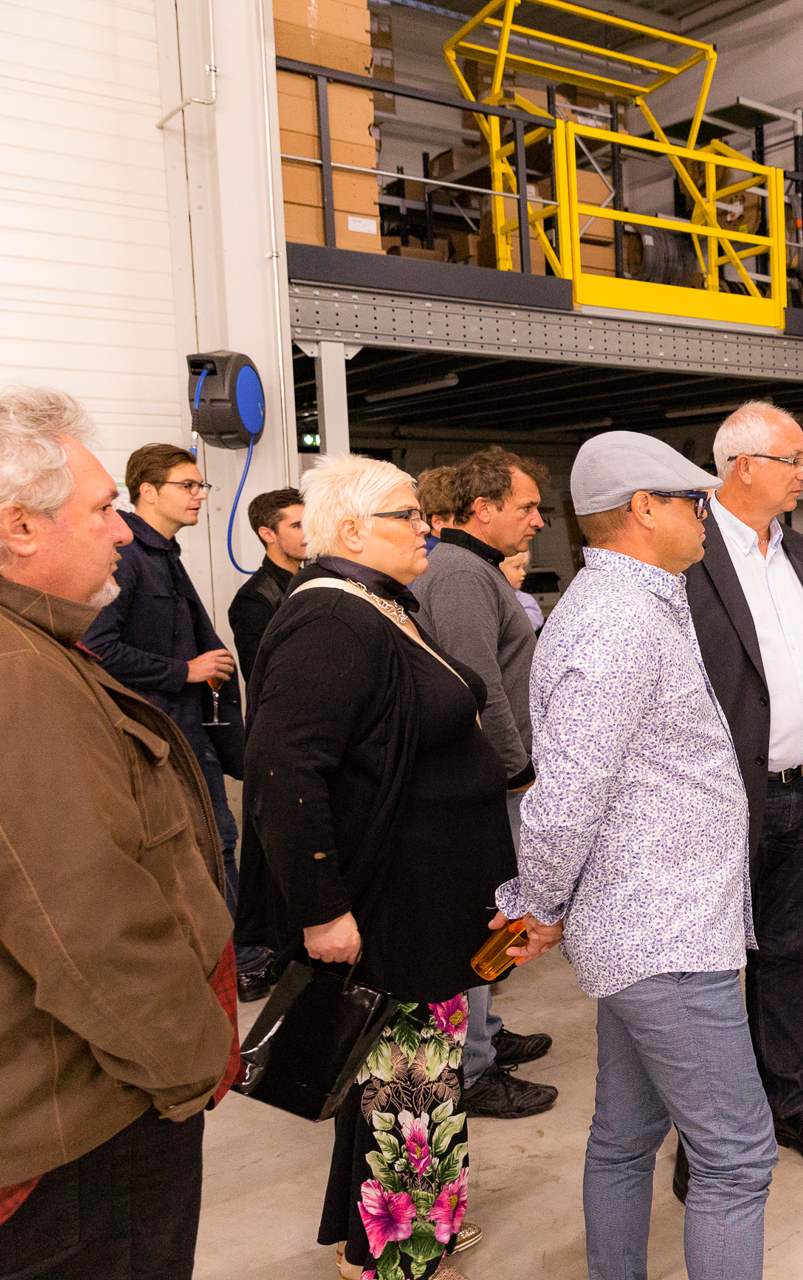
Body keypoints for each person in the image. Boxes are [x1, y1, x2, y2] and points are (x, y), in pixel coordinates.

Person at [494, 431, 775, 1280]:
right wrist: (534, 904)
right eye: (693, 501)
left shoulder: (639, 600)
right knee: (736, 1159)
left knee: (625, 1139)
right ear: (643, 510)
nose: (706, 515)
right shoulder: (617, 621)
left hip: (648, 926)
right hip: (665, 937)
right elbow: (567, 791)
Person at [237, 454, 524, 1280]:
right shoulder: (330, 619)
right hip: (389, 909)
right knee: (402, 1081)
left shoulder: (379, 605)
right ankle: (398, 1253)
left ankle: (404, 1224)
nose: (427, 526)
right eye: (409, 514)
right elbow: (286, 773)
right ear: (353, 530)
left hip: (430, 901)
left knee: (410, 1077)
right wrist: (322, 909)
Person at [0, 387, 237, 1280]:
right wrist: (192, 1067)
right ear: (16, 525)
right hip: (80, 1131)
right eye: (100, 509)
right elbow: (85, 928)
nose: (123, 530)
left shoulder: (27, 650)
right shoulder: (13, 678)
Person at [679, 401, 803, 1196]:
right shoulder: (685, 549)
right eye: (795, 459)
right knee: (710, 969)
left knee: (782, 955)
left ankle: (790, 1103)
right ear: (742, 465)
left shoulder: (802, 549)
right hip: (724, 800)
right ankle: (706, 1133)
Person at [80, 442, 269, 998]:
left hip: (190, 729)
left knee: (217, 839)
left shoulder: (164, 553)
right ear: (147, 491)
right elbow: (97, 647)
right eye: (189, 486)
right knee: (210, 842)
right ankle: (241, 958)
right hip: (161, 733)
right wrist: (183, 669)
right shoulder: (129, 557)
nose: (200, 496)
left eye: (202, 486)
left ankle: (242, 951)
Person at [411, 446, 557, 1122]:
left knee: (497, 909)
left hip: (490, 776)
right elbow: (479, 684)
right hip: (487, 779)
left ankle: (487, 1035)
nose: (537, 521)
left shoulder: (474, 568)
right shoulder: (463, 575)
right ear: (483, 509)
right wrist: (517, 766)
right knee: (488, 913)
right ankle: (473, 1069)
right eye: (526, 507)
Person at [228, 486, 304, 683]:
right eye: (297, 526)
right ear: (268, 534)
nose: (309, 533)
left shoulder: (313, 580)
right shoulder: (252, 599)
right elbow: (261, 676)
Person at [501, 549, 545, 632]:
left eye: (523, 567)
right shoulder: (490, 596)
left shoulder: (526, 600)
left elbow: (527, 627)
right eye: (517, 567)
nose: (523, 572)